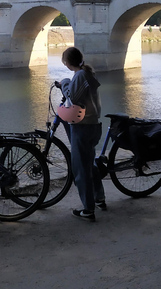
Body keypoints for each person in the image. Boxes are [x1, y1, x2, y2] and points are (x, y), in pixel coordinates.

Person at [57, 46, 105, 222]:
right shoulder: (89, 73)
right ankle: (99, 197)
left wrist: (64, 83)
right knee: (89, 164)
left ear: (68, 63)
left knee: (80, 169)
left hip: (83, 126)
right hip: (94, 125)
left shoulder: (79, 75)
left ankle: (88, 209)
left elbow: (73, 97)